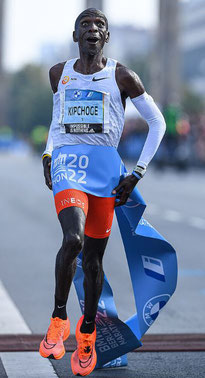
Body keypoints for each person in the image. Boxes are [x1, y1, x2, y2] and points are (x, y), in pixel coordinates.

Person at [39, 8, 166, 376]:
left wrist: (137, 173)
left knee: (94, 259)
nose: (92, 29)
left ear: (106, 37)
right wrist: (49, 153)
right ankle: (59, 316)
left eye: (99, 26)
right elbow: (57, 118)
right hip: (68, 166)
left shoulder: (122, 76)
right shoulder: (58, 74)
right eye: (85, 25)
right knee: (73, 239)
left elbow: (156, 123)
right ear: (75, 35)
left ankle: (89, 331)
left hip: (105, 171)